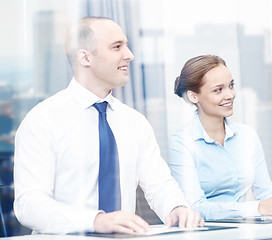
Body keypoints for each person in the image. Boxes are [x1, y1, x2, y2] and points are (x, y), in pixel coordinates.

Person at [13, 17, 204, 235]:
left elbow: (159, 185)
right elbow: (28, 205)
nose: (129, 55)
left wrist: (176, 207)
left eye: (127, 45)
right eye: (117, 47)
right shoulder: (43, 120)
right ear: (85, 57)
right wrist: (95, 221)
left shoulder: (134, 122)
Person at [167, 55, 272, 220]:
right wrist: (258, 208)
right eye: (218, 89)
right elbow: (194, 207)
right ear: (194, 96)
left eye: (231, 86)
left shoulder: (247, 136)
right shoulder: (182, 142)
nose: (230, 95)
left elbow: (266, 195)